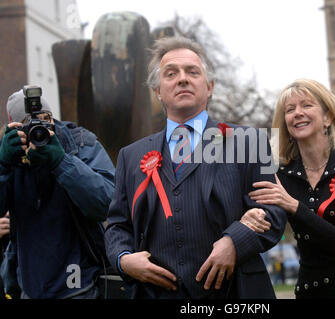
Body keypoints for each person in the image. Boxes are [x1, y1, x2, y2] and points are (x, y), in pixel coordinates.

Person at [104, 36, 286, 299]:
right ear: (157, 91)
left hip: (235, 294)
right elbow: (117, 225)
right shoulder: (130, 156)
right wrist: (123, 260)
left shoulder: (250, 141)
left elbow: (273, 211)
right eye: (171, 73)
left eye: (192, 71)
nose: (182, 79)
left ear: (209, 86)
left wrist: (235, 241)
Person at [242, 79, 335, 299]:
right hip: (311, 290)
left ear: (328, 118)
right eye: (290, 110)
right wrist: (253, 215)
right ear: (286, 123)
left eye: (307, 105)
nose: (297, 113)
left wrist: (293, 205)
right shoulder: (280, 175)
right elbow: (268, 219)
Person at [0, 89, 115, 298]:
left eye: (46, 119)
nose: (40, 129)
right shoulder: (8, 153)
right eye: (29, 123)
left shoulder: (80, 143)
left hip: (81, 286)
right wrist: (3, 165)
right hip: (29, 287)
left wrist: (61, 162)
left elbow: (107, 203)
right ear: (15, 128)